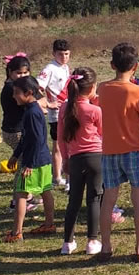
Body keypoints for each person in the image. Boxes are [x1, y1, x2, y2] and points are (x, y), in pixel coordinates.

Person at [96, 43, 139, 263]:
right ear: (136, 67)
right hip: (136, 150)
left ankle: (106, 247)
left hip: (110, 150)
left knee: (108, 200)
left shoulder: (102, 88)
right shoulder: (137, 91)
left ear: (112, 65)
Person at [3, 76, 56, 242]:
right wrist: (15, 154)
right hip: (44, 159)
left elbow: (35, 140)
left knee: (20, 194)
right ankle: (49, 224)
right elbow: (26, 138)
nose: (14, 96)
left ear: (29, 93)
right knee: (45, 190)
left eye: (17, 93)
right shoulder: (32, 110)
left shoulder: (32, 114)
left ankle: (16, 233)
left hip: (34, 162)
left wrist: (29, 164)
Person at [57, 68, 103, 255]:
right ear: (92, 87)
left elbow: (61, 138)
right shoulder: (95, 110)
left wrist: (65, 159)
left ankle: (68, 242)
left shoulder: (64, 109)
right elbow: (104, 134)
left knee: (74, 200)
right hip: (96, 157)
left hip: (75, 159)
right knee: (94, 198)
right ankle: (92, 241)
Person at [0, 54, 41, 212]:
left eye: (25, 73)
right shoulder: (13, 88)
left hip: (15, 130)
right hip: (14, 132)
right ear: (10, 72)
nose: (22, 76)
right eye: (18, 73)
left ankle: (27, 197)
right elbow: (37, 101)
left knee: (24, 164)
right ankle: (16, 201)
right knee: (24, 166)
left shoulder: (16, 85)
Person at [36, 39, 71, 191]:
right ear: (53, 54)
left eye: (67, 54)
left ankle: (63, 174)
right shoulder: (49, 69)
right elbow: (37, 87)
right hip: (56, 115)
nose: (64, 57)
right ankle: (57, 177)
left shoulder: (65, 67)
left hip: (68, 111)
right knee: (58, 145)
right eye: (60, 54)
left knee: (69, 144)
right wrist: (47, 104)